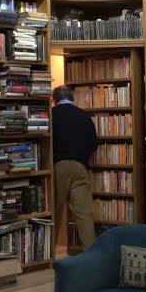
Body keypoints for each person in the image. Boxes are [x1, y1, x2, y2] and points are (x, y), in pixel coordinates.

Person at [52, 85, 98, 250]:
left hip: (58, 167)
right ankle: (91, 255)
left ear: (54, 100)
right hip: (80, 167)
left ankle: (48, 254)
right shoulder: (84, 116)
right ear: (72, 98)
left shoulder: (52, 115)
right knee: (84, 214)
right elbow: (94, 144)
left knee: (54, 213)